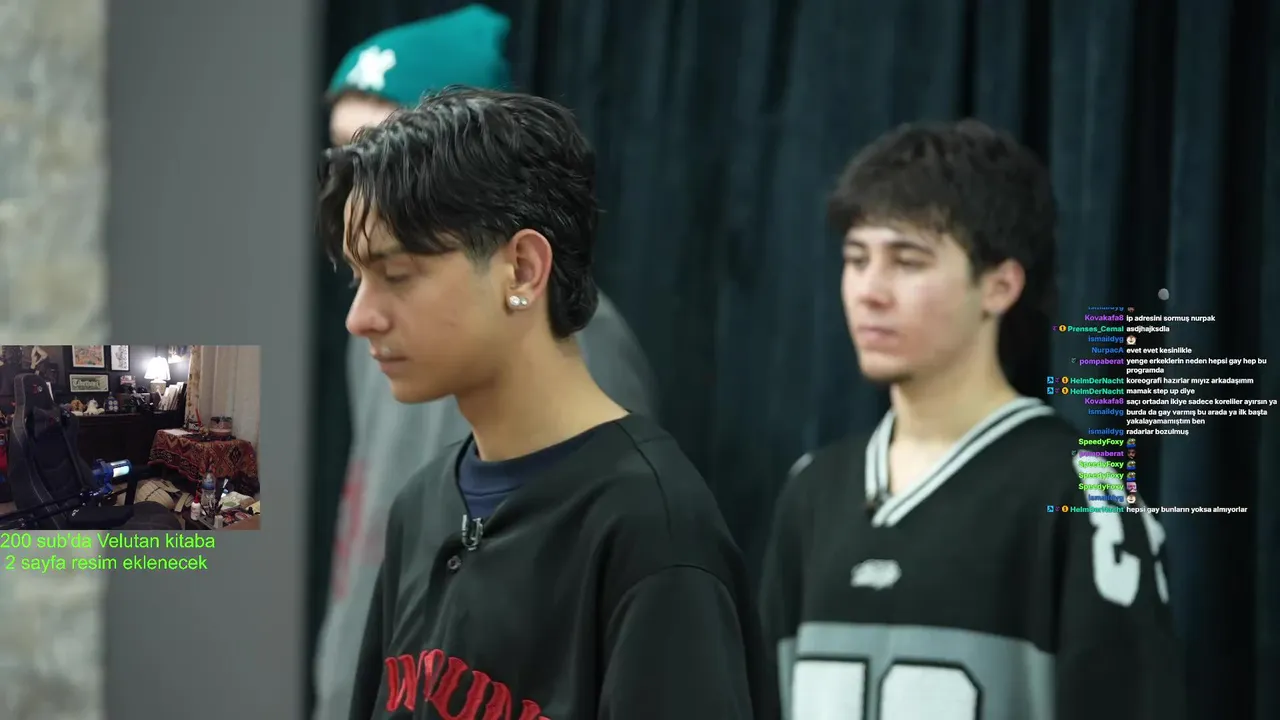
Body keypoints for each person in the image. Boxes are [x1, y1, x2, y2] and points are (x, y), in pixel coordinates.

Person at [318, 87, 775, 719]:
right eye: (358, 278)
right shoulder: (420, 507)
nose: (359, 317)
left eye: (396, 276)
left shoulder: (652, 528)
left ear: (523, 269)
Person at [758, 120, 1184, 719]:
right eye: (856, 259)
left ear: (1000, 286)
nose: (869, 291)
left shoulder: (1085, 491)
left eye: (907, 261)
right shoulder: (813, 490)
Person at [311, 9, 659, 720]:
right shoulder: (373, 331)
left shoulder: (583, 350)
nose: (356, 188)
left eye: (381, 149)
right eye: (342, 153)